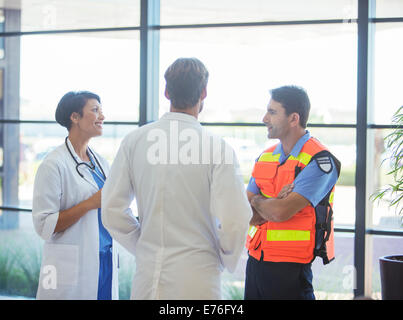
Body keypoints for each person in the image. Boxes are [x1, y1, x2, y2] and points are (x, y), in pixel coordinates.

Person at [102, 57, 251, 300]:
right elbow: (235, 217)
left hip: (148, 278)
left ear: (166, 91)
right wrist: (224, 258)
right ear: (204, 92)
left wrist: (143, 245)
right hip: (198, 277)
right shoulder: (218, 148)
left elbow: (111, 210)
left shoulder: (134, 141)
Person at [244, 85, 341, 300]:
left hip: (290, 270)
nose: (264, 119)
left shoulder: (319, 161)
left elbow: (280, 212)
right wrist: (274, 201)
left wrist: (261, 201)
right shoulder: (265, 157)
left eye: (272, 112)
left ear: (293, 118)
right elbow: (243, 213)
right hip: (255, 265)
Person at [32, 91, 119, 300]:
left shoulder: (101, 163)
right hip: (70, 266)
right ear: (75, 117)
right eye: (95, 110)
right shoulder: (53, 164)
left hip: (104, 260)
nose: (102, 116)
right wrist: (89, 203)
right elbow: (44, 226)